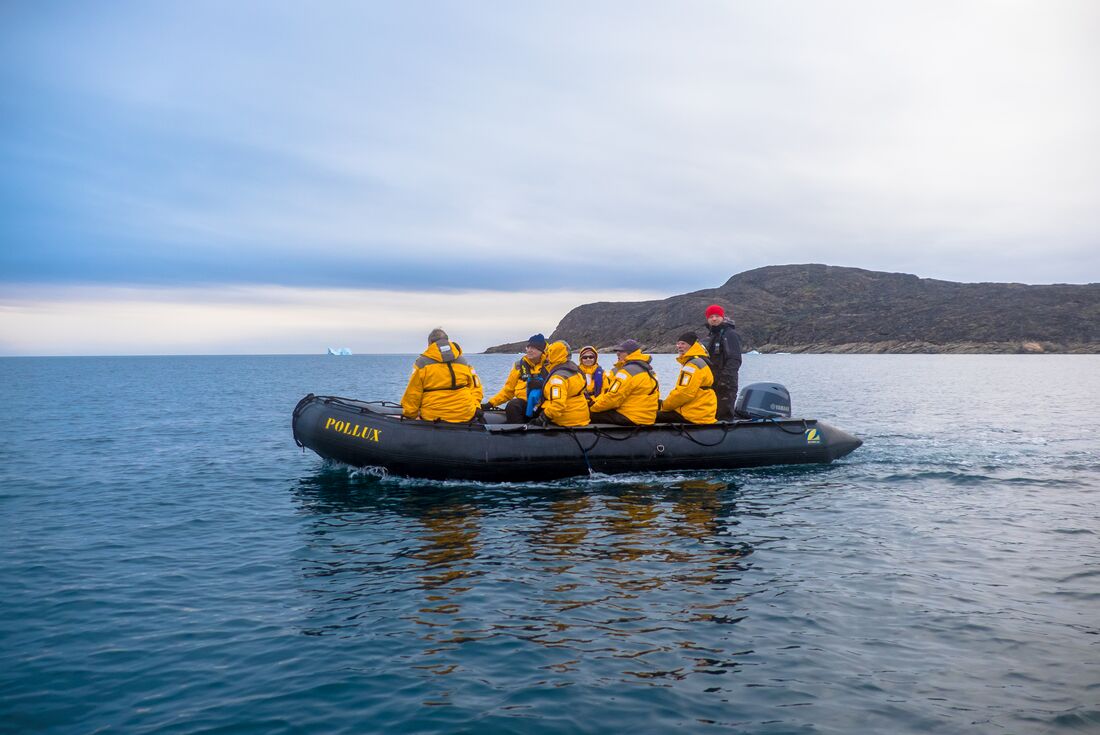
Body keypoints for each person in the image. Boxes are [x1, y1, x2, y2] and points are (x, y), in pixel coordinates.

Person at [401, 328, 484, 423]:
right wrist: (476, 406)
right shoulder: (463, 362)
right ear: (448, 341)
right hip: (465, 415)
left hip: (434, 416)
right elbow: (476, 388)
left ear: (429, 344)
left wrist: (409, 415)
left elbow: (413, 393)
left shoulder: (422, 363)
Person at [589, 339, 659, 425]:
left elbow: (613, 398)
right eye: (617, 351)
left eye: (621, 351)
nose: (617, 354)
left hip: (630, 417)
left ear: (630, 353)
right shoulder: (651, 372)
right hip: (648, 418)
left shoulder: (626, 372)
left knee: (590, 414)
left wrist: (592, 408)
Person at [483, 333, 549, 423]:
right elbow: (508, 390)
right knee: (513, 405)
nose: (529, 350)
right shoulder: (519, 366)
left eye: (533, 348)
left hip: (544, 405)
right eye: (528, 347)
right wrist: (490, 403)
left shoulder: (551, 365)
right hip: (525, 406)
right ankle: (518, 434)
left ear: (542, 350)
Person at [655, 332, 717, 424]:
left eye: (683, 343)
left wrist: (664, 406)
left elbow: (684, 393)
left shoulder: (693, 365)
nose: (679, 346)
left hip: (692, 413)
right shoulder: (698, 361)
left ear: (692, 346)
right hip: (700, 410)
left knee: (650, 415)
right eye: (678, 343)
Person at [531, 340, 590, 427]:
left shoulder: (558, 378)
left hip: (566, 420)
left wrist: (542, 418)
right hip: (581, 416)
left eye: (549, 353)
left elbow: (557, 405)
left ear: (554, 354)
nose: (546, 356)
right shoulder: (575, 370)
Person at [703, 304, 743, 420]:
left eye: (716, 316)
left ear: (722, 317)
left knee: (723, 415)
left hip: (726, 385)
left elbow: (735, 359)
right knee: (712, 415)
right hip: (712, 384)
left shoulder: (730, 334)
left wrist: (725, 381)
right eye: (711, 316)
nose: (714, 319)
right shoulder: (711, 336)